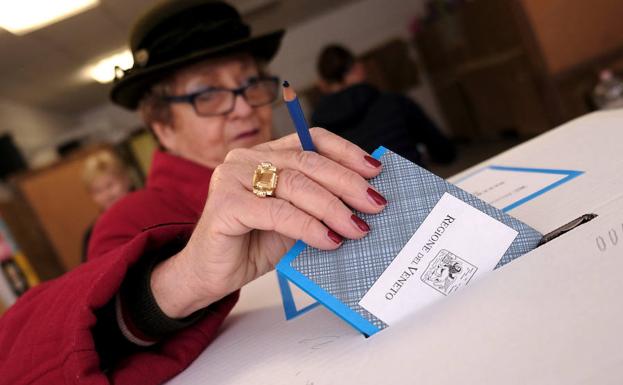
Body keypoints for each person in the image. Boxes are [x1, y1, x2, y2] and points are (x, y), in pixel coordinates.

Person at [0, 1, 387, 384]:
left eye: (251, 83)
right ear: (161, 126)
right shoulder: (127, 220)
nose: (242, 108)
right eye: (207, 94)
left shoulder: (302, 174)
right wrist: (182, 281)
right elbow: (104, 352)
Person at [312, 44, 456, 167]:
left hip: (362, 197)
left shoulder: (318, 128)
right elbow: (444, 151)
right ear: (357, 68)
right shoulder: (394, 102)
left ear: (323, 84)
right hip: (416, 188)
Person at [81, 150, 134, 259]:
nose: (107, 195)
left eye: (110, 185)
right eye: (98, 191)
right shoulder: (91, 235)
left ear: (126, 179)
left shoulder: (148, 207)